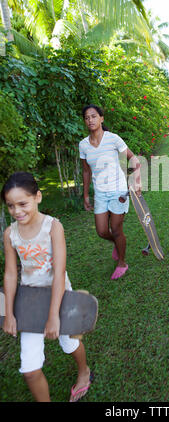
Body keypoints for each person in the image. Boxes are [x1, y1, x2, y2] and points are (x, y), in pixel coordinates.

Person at [1, 172, 92, 402]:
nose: (17, 211)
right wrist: (9, 314)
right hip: (29, 300)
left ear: (38, 197)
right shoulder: (10, 234)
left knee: (69, 343)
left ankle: (84, 371)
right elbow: (11, 274)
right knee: (30, 370)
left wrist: (53, 316)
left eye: (23, 203)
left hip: (60, 295)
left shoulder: (53, 227)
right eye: (11, 206)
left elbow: (59, 273)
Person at [79, 104, 141, 280]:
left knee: (115, 228)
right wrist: (85, 195)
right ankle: (118, 243)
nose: (90, 120)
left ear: (101, 118)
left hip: (118, 190)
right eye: (87, 117)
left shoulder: (113, 139)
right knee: (101, 231)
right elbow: (86, 171)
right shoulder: (83, 145)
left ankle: (122, 263)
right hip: (100, 193)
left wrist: (137, 180)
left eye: (93, 116)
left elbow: (134, 159)